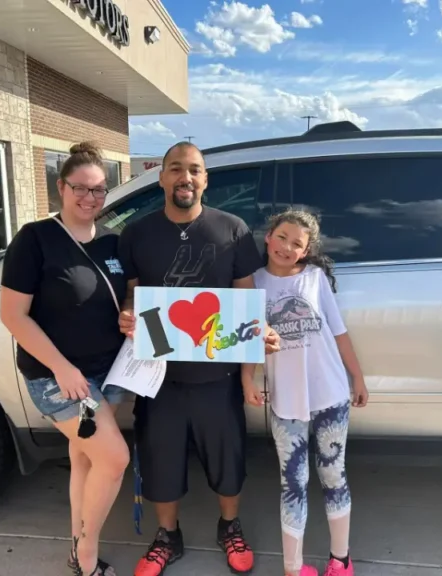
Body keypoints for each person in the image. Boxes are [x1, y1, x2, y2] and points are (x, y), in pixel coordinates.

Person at [117, 141, 281, 576]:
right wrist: (130, 312)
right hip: (157, 375)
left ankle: (230, 526)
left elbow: (246, 299)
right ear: (162, 177)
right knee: (159, 458)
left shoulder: (233, 229)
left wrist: (252, 355)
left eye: (194, 170)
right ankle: (167, 537)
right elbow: (133, 289)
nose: (184, 177)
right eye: (175, 169)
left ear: (205, 180)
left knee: (228, 458)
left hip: (218, 375)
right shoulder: (138, 233)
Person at [0, 142, 130, 576]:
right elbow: (12, 316)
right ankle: (85, 555)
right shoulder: (35, 239)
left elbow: (124, 293)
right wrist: (61, 367)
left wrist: (129, 311)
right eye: (81, 189)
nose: (90, 198)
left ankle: (77, 547)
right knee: (114, 460)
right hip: (59, 378)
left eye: (99, 191)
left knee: (87, 460)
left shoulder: (112, 241)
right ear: (61, 187)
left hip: (107, 371)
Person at [241, 209, 369, 576]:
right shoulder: (252, 283)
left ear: (306, 250)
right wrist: (246, 381)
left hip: (331, 395)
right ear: (268, 236)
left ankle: (340, 561)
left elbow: (339, 332)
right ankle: (292, 569)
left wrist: (356, 378)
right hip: (286, 401)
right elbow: (246, 338)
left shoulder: (315, 279)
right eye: (281, 237)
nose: (286, 247)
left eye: (297, 243)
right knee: (293, 483)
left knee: (333, 475)